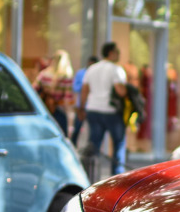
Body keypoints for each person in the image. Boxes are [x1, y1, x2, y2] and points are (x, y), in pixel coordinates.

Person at [78, 42, 128, 177]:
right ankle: (117, 178)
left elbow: (84, 90)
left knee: (94, 145)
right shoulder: (116, 69)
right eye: (117, 51)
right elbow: (120, 91)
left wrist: (81, 108)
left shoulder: (92, 69)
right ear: (111, 53)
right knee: (118, 143)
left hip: (93, 110)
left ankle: (90, 175)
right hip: (111, 111)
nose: (119, 54)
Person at [33, 49, 74, 135]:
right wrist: (70, 122)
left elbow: (33, 90)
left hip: (44, 109)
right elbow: (67, 100)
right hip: (59, 110)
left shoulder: (44, 74)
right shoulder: (66, 76)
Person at [70, 55, 97, 144]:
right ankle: (73, 147)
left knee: (93, 132)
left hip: (92, 106)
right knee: (77, 129)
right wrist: (85, 87)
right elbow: (75, 88)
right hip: (81, 106)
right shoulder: (81, 73)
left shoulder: (96, 74)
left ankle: (90, 150)